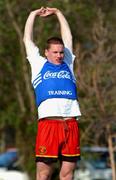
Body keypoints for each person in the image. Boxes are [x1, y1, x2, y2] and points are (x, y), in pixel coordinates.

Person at [23, 7, 81, 180]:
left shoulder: (67, 63)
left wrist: (58, 13)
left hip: (70, 124)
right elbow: (27, 39)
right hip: (48, 125)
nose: (59, 55)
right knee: (44, 174)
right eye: (55, 52)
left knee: (67, 174)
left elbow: (68, 37)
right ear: (46, 52)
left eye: (61, 52)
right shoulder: (38, 64)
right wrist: (32, 14)